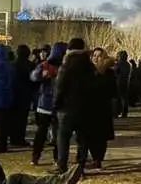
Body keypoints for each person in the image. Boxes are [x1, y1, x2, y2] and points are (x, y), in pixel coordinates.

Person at [54, 38, 96, 173]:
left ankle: (62, 166)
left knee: (63, 138)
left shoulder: (66, 66)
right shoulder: (90, 67)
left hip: (66, 108)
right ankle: (80, 166)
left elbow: (59, 88)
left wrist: (56, 104)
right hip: (85, 108)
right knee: (82, 139)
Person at [30, 42, 66, 166]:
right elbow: (34, 76)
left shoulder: (50, 65)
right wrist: (41, 75)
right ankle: (42, 156)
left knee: (51, 133)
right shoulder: (49, 65)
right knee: (51, 132)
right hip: (52, 104)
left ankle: (47, 157)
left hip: (48, 103)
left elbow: (34, 76)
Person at [83, 48, 116, 169]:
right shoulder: (87, 72)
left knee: (101, 136)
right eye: (94, 56)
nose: (96, 58)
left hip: (103, 108)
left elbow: (113, 91)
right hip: (88, 108)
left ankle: (98, 159)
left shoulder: (109, 73)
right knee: (89, 134)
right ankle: (93, 158)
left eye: (99, 56)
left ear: (104, 58)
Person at [9, 44, 33, 147]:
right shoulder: (30, 65)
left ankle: (13, 138)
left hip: (13, 94)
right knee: (22, 119)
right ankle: (20, 139)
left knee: (13, 118)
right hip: (25, 95)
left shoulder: (11, 65)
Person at [114, 51, 132, 118]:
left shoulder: (118, 64)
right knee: (125, 98)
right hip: (126, 82)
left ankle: (117, 112)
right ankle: (124, 112)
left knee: (118, 98)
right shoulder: (128, 64)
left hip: (119, 82)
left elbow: (115, 72)